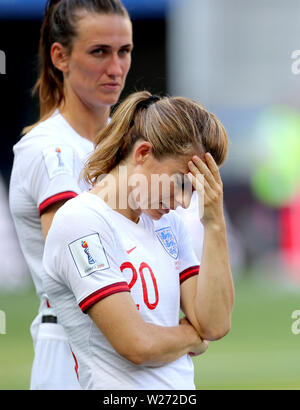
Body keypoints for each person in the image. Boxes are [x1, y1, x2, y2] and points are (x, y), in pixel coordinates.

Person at [42, 91, 235, 390]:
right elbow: (137, 344)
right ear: (143, 153)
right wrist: (192, 337)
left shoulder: (167, 223)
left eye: (194, 190)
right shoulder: (81, 222)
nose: (184, 202)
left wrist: (215, 224)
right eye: (180, 183)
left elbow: (215, 323)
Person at [9, 0, 133, 390]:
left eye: (124, 51)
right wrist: (160, 338)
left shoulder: (136, 145)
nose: (115, 68)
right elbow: (81, 265)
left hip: (132, 334)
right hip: (73, 345)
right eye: (99, 52)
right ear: (60, 56)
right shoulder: (50, 150)